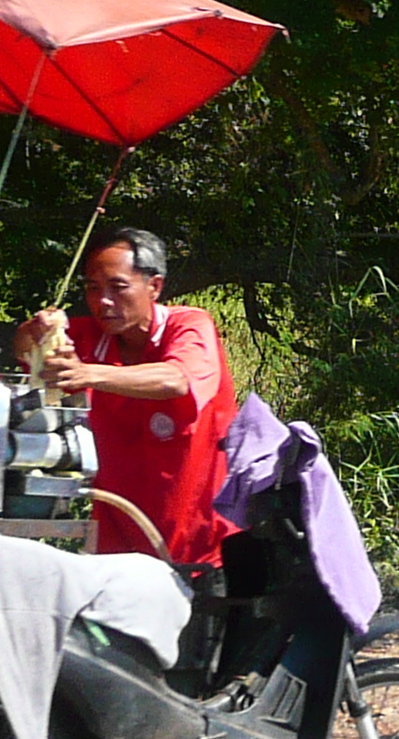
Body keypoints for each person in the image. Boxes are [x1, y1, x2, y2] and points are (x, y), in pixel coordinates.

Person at [14, 229, 238, 566]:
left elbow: (177, 379)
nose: (103, 301)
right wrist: (34, 332)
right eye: (93, 288)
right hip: (118, 547)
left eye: (118, 288)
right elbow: (25, 351)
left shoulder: (190, 325)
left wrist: (88, 373)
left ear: (154, 286)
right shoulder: (91, 336)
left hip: (203, 548)